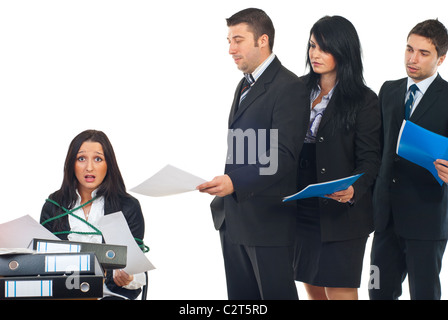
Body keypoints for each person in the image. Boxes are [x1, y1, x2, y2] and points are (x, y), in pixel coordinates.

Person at [197, 8, 309, 300]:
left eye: (238, 40)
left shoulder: (290, 87)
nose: (231, 49)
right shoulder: (245, 83)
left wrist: (235, 183)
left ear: (263, 40)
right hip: (233, 219)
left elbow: (283, 154)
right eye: (229, 40)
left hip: (268, 223)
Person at [292, 16, 381, 300]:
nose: (315, 54)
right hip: (303, 208)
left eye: (324, 48)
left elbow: (370, 160)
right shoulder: (297, 90)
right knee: (313, 287)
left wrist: (354, 188)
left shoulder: (364, 100)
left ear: (343, 51)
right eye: (312, 46)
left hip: (343, 214)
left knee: (339, 289)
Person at [369, 19, 448, 300]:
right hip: (385, 218)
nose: (412, 59)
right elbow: (377, 149)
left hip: (426, 219)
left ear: (441, 58)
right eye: (409, 49)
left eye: (423, 53)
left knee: (424, 296)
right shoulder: (388, 91)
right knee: (377, 293)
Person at [40, 129, 147, 300]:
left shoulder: (127, 206)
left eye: (98, 159)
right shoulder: (54, 205)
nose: (89, 167)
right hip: (64, 294)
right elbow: (40, 261)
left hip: (110, 295)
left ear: (108, 164)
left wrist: (129, 277)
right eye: (81, 159)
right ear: (71, 164)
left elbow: (139, 271)